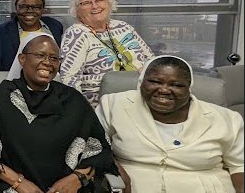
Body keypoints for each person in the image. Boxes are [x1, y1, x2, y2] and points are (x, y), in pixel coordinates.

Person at [0, 32, 115, 193]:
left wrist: (77, 178)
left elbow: (100, 149)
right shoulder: (0, 97)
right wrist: (18, 182)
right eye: (40, 55)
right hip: (11, 186)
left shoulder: (73, 99)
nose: (48, 63)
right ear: (22, 59)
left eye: (54, 58)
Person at [96, 55, 244, 193]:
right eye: (155, 82)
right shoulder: (114, 105)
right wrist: (114, 167)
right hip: (136, 186)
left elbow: (239, 166)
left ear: (189, 88)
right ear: (141, 82)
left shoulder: (226, 119)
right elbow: (94, 148)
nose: (164, 90)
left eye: (176, 85)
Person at [58, 0, 154, 106]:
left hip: (142, 99)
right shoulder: (76, 34)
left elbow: (152, 61)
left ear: (109, 3)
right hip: (102, 106)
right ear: (76, 10)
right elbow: (69, 79)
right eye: (86, 3)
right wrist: (80, 112)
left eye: (99, 0)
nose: (94, 6)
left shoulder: (124, 27)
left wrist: (145, 70)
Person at [0, 0, 65, 65]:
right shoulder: (3, 31)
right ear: (16, 7)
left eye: (36, 7)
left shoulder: (54, 26)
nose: (30, 10)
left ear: (43, 9)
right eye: (23, 6)